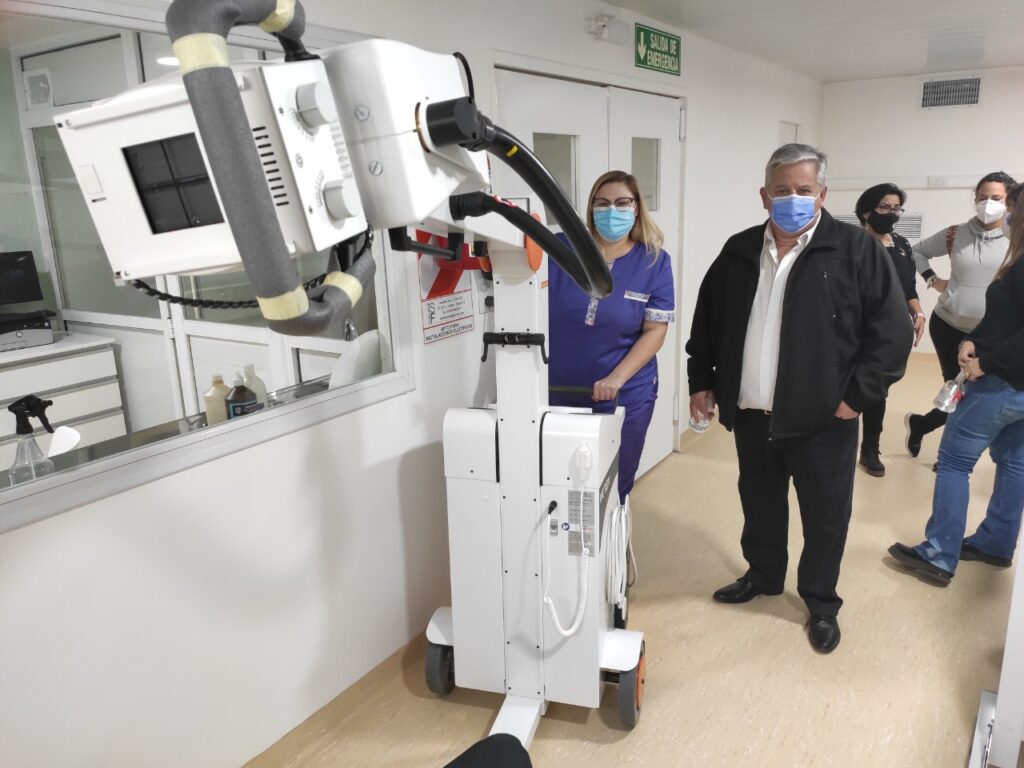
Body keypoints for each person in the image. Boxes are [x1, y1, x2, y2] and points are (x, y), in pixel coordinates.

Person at [686, 143, 911, 654]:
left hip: (824, 420)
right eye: (782, 190)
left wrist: (856, 398)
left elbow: (892, 333)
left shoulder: (855, 251)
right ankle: (763, 575)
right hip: (753, 414)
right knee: (760, 503)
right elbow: (708, 321)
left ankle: (821, 602)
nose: (792, 199)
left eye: (804, 190)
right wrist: (701, 379)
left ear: (822, 194)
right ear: (764, 195)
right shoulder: (738, 250)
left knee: (825, 516)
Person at [889, 182, 1024, 585]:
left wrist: (985, 363)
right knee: (1014, 462)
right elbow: (1005, 318)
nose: (1006, 216)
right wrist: (972, 339)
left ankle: (938, 554)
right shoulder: (1003, 254)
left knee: (953, 462)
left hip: (1000, 382)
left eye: (1011, 209)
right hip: (1012, 384)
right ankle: (995, 543)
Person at [548, 170, 675, 503]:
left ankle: (615, 536)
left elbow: (655, 330)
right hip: (558, 389)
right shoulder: (559, 249)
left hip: (624, 393)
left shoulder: (654, 262)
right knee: (558, 485)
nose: (611, 211)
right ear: (591, 208)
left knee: (614, 484)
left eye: (622, 203)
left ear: (636, 208)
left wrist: (617, 378)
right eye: (602, 203)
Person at [905, 171, 1016, 459]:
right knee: (958, 390)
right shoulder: (956, 233)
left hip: (990, 333)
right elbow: (917, 251)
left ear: (1010, 201)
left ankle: (922, 426)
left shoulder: (1016, 238)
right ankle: (950, 455)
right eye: (983, 197)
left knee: (976, 393)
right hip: (949, 324)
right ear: (974, 199)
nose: (988, 203)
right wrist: (933, 280)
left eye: (996, 198)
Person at [854, 183, 927, 476]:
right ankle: (835, 442)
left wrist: (918, 312)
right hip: (855, 327)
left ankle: (870, 448)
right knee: (845, 385)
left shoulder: (901, 244)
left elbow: (909, 287)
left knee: (876, 389)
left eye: (896, 208)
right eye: (884, 207)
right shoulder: (853, 244)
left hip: (888, 332)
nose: (892, 214)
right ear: (866, 211)